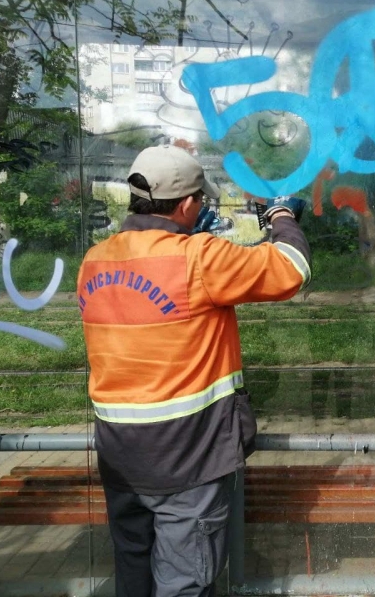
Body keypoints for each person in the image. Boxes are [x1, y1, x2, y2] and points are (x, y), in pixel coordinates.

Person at [77, 144, 310, 597]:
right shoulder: (199, 258)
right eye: (200, 200)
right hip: (187, 456)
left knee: (134, 574)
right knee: (185, 580)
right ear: (187, 204)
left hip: (120, 456)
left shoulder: (95, 259)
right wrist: (281, 216)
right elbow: (291, 268)